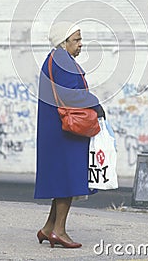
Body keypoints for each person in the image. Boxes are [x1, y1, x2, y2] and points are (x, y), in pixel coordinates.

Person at [34, 21, 105, 249]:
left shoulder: (56, 59)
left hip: (57, 128)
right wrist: (96, 104)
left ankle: (48, 228)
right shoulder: (63, 61)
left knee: (62, 179)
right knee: (67, 180)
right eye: (76, 40)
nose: (81, 44)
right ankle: (59, 231)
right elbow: (71, 95)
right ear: (63, 42)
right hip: (65, 130)